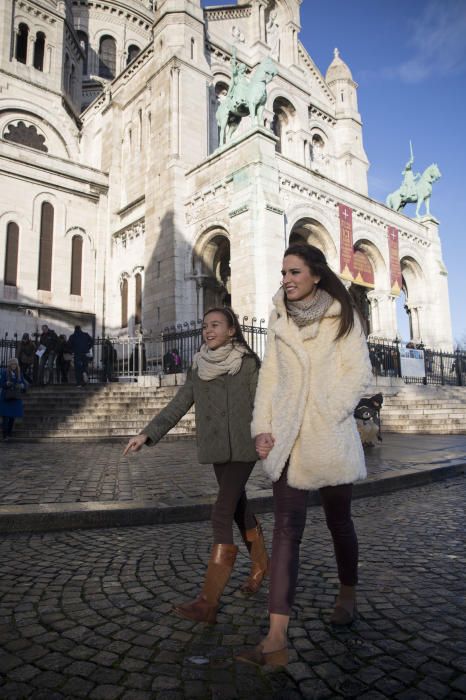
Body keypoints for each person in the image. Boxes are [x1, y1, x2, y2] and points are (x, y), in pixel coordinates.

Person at [236, 243, 372, 668]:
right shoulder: (279, 322)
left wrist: (329, 412)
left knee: (339, 522)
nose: (287, 279)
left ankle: (347, 591)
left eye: (294, 272)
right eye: (283, 272)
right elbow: (270, 382)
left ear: (315, 274)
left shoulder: (343, 318)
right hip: (288, 440)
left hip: (329, 438)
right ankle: (276, 636)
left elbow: (359, 373)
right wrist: (262, 428)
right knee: (286, 532)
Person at [124, 307, 268, 623]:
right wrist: (147, 433)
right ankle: (260, 565)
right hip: (217, 447)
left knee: (220, 511)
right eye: (205, 326)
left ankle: (208, 602)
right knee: (237, 508)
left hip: (244, 446)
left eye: (215, 325)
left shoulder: (248, 364)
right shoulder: (198, 367)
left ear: (232, 330)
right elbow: (178, 404)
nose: (208, 330)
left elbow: (264, 403)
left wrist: (269, 435)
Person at [0, 357, 27, 441]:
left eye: (15, 364)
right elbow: (1, 383)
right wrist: (6, 383)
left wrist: (22, 386)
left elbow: (24, 384)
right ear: (9, 365)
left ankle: (9, 433)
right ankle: (5, 435)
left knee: (12, 417)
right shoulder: (5, 373)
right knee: (5, 417)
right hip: (6, 397)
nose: (13, 365)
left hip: (15, 397)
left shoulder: (19, 373)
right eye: (12, 364)